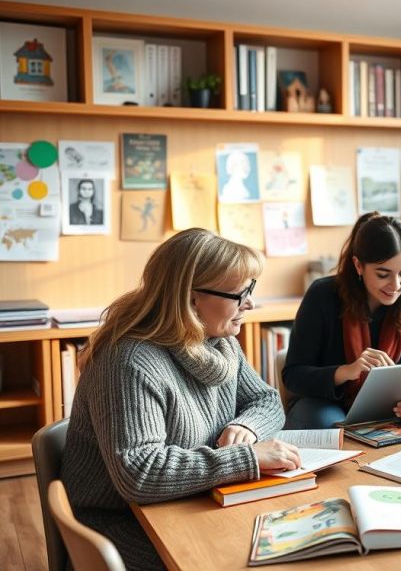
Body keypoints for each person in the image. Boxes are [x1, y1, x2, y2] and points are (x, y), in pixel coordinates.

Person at [60, 228, 296, 570]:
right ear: (190, 299)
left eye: (250, 289)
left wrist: (248, 426)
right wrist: (246, 458)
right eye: (238, 293)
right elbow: (139, 473)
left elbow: (266, 400)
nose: (250, 303)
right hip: (125, 525)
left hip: (192, 501)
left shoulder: (219, 343)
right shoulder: (128, 362)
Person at [283, 211, 401, 428]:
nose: (395, 285)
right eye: (383, 274)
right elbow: (293, 376)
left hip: (387, 404)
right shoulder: (322, 295)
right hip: (322, 402)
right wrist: (347, 371)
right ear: (358, 265)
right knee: (326, 423)